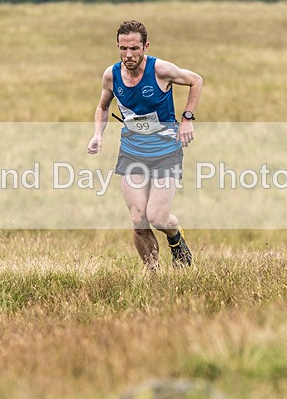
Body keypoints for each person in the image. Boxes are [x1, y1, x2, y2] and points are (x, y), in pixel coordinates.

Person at [87, 20, 203, 270]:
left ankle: (176, 238)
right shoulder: (111, 75)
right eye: (123, 48)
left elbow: (196, 80)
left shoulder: (160, 70)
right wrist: (98, 134)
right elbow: (103, 107)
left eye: (134, 48)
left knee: (158, 218)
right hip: (132, 152)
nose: (128, 54)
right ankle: (153, 273)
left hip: (165, 152)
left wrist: (187, 119)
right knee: (138, 220)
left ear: (145, 46)